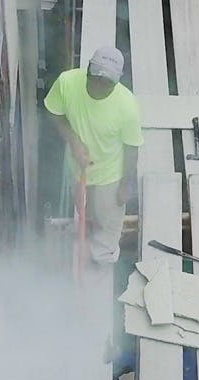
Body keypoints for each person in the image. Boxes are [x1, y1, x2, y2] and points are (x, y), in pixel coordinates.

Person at [44, 46, 144, 265]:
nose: (99, 86)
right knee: (84, 212)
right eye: (96, 79)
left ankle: (101, 265)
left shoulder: (127, 107)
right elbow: (54, 112)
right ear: (88, 70)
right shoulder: (67, 83)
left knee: (107, 228)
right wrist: (73, 140)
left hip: (111, 175)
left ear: (117, 82)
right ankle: (85, 244)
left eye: (107, 83)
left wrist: (125, 185)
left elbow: (131, 150)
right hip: (77, 169)